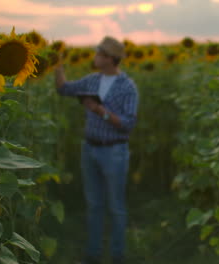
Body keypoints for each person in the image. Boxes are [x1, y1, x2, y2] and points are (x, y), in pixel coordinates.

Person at [55, 36, 139, 264]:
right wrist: (57, 65)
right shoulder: (92, 80)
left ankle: (117, 256)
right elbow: (63, 89)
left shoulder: (127, 86)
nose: (95, 56)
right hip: (89, 148)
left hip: (114, 152)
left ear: (110, 59)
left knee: (116, 207)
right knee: (94, 205)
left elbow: (129, 123)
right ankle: (92, 255)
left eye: (99, 53)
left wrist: (100, 111)